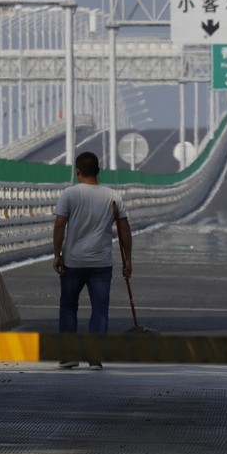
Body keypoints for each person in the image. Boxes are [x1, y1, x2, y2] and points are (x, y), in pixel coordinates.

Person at [53, 151, 132, 371]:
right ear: (98, 171)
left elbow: (60, 225)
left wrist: (57, 254)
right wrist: (129, 260)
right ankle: (95, 358)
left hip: (73, 262)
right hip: (101, 263)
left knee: (68, 307)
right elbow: (124, 230)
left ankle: (69, 355)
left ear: (78, 172)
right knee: (100, 310)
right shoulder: (113, 197)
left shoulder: (69, 194)